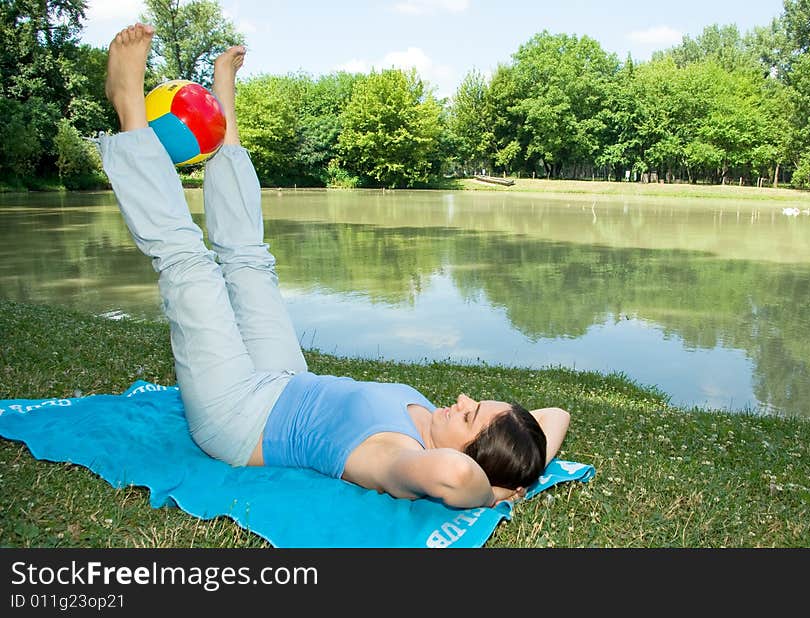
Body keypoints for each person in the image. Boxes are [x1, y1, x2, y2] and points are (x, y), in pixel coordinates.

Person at [100, 23, 570, 510]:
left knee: (189, 266)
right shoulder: (438, 427)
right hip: (284, 379)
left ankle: (127, 103)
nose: (466, 401)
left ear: (468, 455)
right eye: (480, 404)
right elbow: (556, 415)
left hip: (239, 418)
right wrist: (520, 473)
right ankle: (223, 115)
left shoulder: (398, 458)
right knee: (249, 261)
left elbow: (454, 476)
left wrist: (494, 493)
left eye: (471, 419)